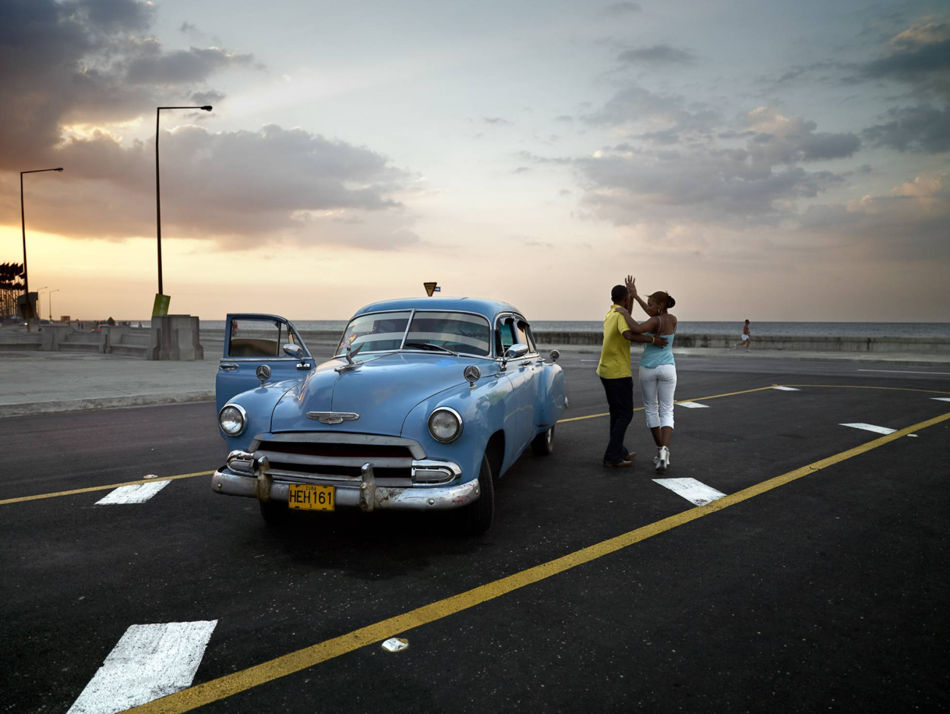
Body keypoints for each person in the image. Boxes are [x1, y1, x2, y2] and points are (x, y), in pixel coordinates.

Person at [595, 277, 667, 468]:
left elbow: (627, 317)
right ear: (625, 300)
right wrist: (653, 341)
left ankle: (618, 451)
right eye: (628, 299)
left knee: (616, 414)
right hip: (618, 373)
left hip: (606, 370)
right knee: (625, 414)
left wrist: (632, 296)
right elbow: (628, 333)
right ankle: (612, 455)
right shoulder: (620, 316)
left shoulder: (611, 313)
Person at [617, 280, 678, 473]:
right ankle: (664, 450)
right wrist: (635, 296)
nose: (648, 307)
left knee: (652, 409)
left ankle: (660, 449)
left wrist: (625, 312)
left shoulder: (653, 322)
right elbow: (654, 316)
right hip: (668, 368)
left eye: (651, 304)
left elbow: (635, 329)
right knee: (667, 410)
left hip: (649, 369)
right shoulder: (672, 319)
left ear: (660, 306)